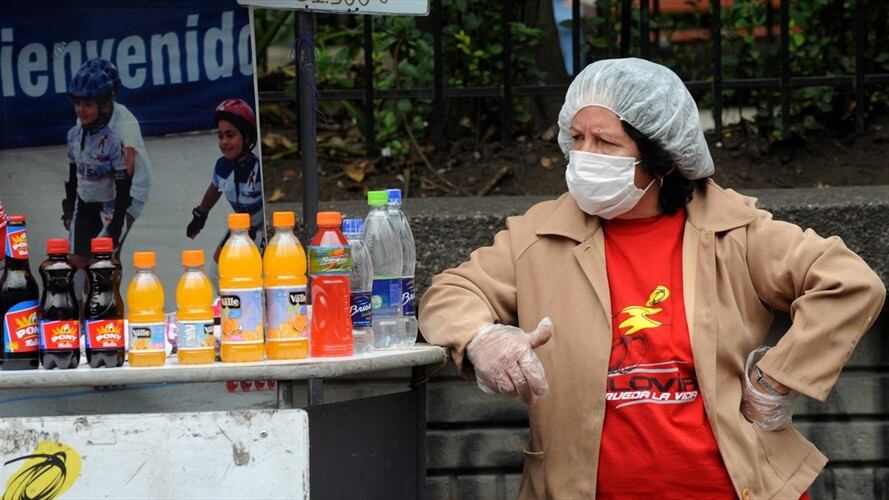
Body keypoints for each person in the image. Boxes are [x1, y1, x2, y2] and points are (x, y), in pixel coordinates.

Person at [418, 58, 886, 499]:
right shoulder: (538, 236)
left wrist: (775, 379)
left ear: (662, 156)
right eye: (576, 138)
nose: (583, 155)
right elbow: (450, 293)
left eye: (605, 142)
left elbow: (849, 283)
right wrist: (482, 338)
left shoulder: (734, 231)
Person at [76, 59, 153, 260]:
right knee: (79, 255)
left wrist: (117, 219)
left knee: (104, 252)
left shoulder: (125, 122)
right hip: (101, 186)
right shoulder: (85, 118)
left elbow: (127, 171)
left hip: (132, 189)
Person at [62, 63, 130, 271]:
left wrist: (117, 222)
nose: (81, 109)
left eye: (88, 104)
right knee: (75, 261)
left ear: (104, 106)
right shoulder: (73, 135)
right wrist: (68, 209)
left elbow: (123, 186)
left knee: (99, 266)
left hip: (106, 209)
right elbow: (73, 177)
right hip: (82, 207)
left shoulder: (113, 140)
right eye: (77, 103)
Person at [186, 98, 265, 262]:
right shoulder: (222, 166)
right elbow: (215, 189)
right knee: (218, 262)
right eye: (220, 136)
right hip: (241, 226)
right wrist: (200, 214)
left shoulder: (258, 170)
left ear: (246, 136)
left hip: (262, 228)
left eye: (230, 135)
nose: (224, 142)